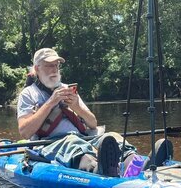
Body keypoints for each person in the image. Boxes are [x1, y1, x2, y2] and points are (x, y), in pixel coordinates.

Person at [17, 48, 126, 176]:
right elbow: (25, 132)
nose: (54, 69)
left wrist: (77, 107)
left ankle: (136, 163)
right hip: (49, 143)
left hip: (83, 138)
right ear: (37, 69)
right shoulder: (28, 94)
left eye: (56, 65)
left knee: (113, 137)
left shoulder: (67, 89)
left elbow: (92, 123)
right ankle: (98, 169)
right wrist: (51, 102)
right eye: (49, 66)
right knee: (72, 142)